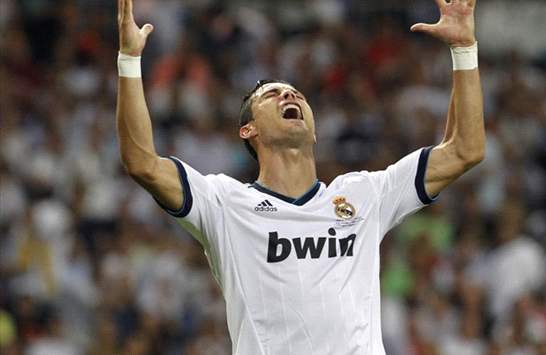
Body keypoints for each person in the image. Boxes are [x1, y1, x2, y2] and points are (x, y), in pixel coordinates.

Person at [115, 0, 485, 353]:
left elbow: (464, 150)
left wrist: (464, 49)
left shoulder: (364, 194)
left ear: (314, 130)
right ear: (248, 130)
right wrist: (129, 60)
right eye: (271, 95)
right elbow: (142, 162)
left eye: (295, 94)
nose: (288, 95)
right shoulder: (225, 203)